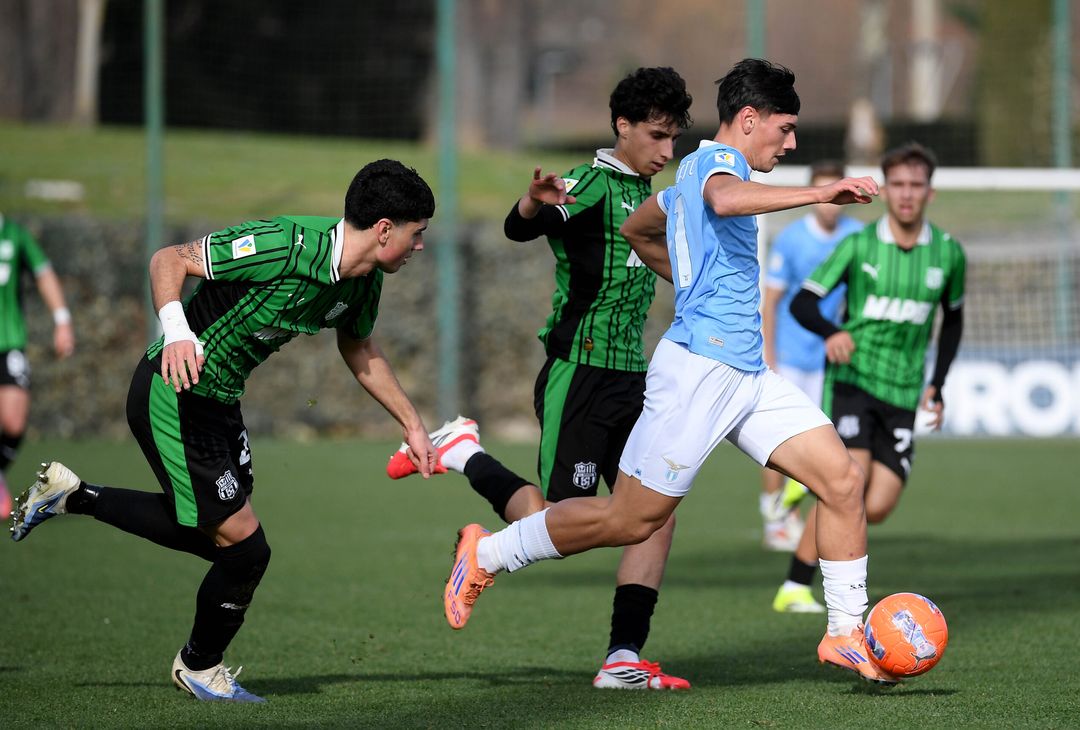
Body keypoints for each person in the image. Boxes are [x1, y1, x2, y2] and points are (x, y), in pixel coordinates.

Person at [442, 58, 902, 685]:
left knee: (842, 482)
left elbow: (638, 226)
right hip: (698, 372)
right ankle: (487, 554)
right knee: (633, 519)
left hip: (746, 374)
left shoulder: (693, 172)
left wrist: (688, 275)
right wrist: (820, 191)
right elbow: (722, 198)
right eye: (786, 128)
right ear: (749, 119)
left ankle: (846, 632)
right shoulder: (718, 165)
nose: (791, 143)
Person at [10, 159, 438, 702]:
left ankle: (73, 496)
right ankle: (199, 666)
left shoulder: (362, 283)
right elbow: (169, 259)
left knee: (218, 537)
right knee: (245, 550)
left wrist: (413, 425)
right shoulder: (283, 243)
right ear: (384, 230)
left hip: (219, 405)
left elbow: (358, 347)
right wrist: (177, 332)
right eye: (416, 233)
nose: (420, 245)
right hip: (173, 394)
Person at [388, 66, 695, 690]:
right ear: (624, 127)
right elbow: (522, 226)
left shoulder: (660, 194)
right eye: (658, 136)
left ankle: (623, 659)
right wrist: (532, 202)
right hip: (578, 374)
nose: (667, 150)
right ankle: (465, 453)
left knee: (656, 513)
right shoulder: (588, 184)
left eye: (674, 139)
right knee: (562, 518)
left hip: (635, 378)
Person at [772, 142, 965, 613]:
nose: (906, 194)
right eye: (897, 184)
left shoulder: (948, 253)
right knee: (849, 487)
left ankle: (807, 489)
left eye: (915, 185)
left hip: (901, 392)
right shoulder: (857, 246)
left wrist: (936, 384)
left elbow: (953, 319)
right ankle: (795, 586)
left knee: (877, 506)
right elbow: (801, 302)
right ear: (885, 190)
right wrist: (832, 332)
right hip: (854, 383)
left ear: (929, 193)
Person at [757, 162, 863, 560]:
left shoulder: (856, 237)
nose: (831, 207)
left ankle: (799, 513)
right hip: (790, 356)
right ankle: (774, 518)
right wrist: (770, 353)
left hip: (833, 358)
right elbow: (772, 300)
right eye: (823, 195)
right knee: (778, 440)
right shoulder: (791, 240)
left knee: (827, 445)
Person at [0, 214, 75, 517]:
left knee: (15, 421)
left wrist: (62, 321)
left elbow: (44, 274)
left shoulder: (15, 235)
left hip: (9, 342)